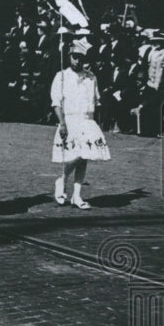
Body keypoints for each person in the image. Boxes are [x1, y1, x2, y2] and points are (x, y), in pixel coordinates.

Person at [51, 39, 110, 209]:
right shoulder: (61, 76)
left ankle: (76, 195)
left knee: (84, 157)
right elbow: (56, 103)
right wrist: (62, 123)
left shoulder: (91, 77)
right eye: (75, 57)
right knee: (74, 156)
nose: (78, 61)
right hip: (70, 120)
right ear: (70, 56)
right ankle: (61, 179)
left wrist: (97, 123)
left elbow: (96, 101)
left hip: (87, 121)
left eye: (81, 58)